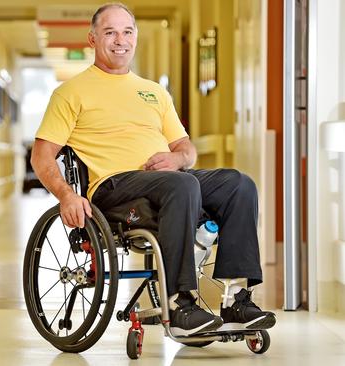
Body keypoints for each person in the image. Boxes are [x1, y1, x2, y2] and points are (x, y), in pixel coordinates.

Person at [31, 2, 276, 337]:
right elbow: (42, 157)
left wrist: (177, 160)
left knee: (239, 183)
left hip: (168, 182)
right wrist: (66, 195)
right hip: (115, 188)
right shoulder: (70, 93)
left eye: (127, 31)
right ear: (92, 39)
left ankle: (235, 299)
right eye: (110, 32)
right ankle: (179, 304)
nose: (120, 40)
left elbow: (185, 149)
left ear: (136, 37)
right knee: (182, 186)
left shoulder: (154, 92)